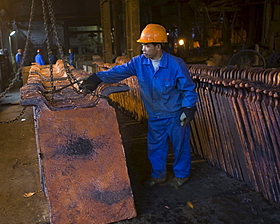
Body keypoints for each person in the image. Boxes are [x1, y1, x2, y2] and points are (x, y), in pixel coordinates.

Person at [80, 24, 198, 187]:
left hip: (175, 115)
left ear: (158, 46)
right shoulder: (139, 62)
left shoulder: (175, 64)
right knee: (155, 148)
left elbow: (187, 88)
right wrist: (97, 78)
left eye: (147, 45)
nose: (143, 48)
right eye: (142, 45)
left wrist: (189, 108)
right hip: (155, 116)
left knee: (180, 147)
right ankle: (159, 176)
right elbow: (118, 72)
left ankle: (181, 175)